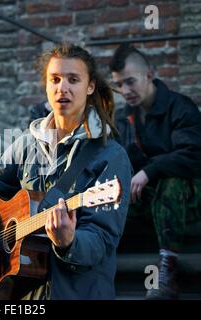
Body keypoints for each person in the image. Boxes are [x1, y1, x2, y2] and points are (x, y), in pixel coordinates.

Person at [0, 43, 132, 300]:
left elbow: (103, 240)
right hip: (22, 293)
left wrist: (69, 242)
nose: (62, 88)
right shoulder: (28, 144)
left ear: (90, 86)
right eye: (55, 79)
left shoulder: (110, 156)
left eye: (73, 80)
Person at [109, 43, 201, 299]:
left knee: (170, 181)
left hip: (189, 194)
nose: (125, 91)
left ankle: (167, 275)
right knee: (105, 193)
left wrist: (149, 171)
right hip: (149, 199)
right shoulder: (124, 117)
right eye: (119, 84)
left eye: (130, 81)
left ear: (150, 74)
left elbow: (192, 156)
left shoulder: (180, 107)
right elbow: (119, 159)